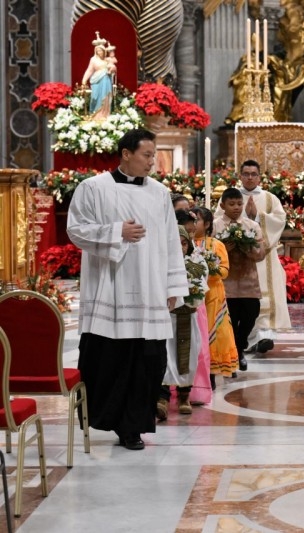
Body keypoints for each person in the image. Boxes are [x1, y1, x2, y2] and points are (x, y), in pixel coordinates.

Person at [67, 128, 187, 451]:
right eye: (147, 155)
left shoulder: (160, 194)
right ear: (125, 154)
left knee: (149, 362)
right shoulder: (93, 189)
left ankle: (133, 426)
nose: (153, 162)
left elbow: (170, 242)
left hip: (150, 291)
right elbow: (76, 229)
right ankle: (107, 419)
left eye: (153, 155)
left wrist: (173, 285)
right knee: (110, 360)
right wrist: (116, 232)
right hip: (111, 290)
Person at [217, 160, 291, 362]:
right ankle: (243, 341)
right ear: (240, 175)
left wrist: (257, 216)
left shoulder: (269, 198)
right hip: (236, 260)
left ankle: (264, 336)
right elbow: (217, 222)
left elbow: (280, 220)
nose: (250, 177)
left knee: (261, 302)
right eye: (246, 173)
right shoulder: (230, 196)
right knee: (239, 303)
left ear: (259, 177)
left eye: (254, 174)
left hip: (263, 255)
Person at [214, 187, 267, 374]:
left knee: (250, 316)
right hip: (226, 284)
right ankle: (235, 356)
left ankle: (239, 346)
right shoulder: (215, 226)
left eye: (239, 204)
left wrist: (246, 248)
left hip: (248, 282)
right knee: (230, 320)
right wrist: (225, 250)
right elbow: (210, 255)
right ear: (223, 205)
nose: (236, 207)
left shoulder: (252, 227)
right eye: (232, 204)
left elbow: (260, 254)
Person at [159, 224, 209, 419]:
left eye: (184, 243)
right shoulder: (162, 263)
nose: (180, 247)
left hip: (188, 317)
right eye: (176, 243)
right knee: (165, 355)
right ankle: (161, 397)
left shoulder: (197, 263)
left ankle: (184, 396)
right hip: (167, 318)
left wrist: (191, 294)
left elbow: (201, 289)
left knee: (188, 356)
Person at [192, 206, 239, 385]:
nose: (193, 224)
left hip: (213, 297)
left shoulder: (216, 245)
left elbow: (224, 271)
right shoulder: (184, 243)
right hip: (192, 294)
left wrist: (207, 269)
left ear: (207, 224)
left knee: (213, 332)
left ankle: (210, 374)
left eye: (197, 220)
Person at [81, 32, 113, 120]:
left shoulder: (107, 60)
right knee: (95, 97)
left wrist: (112, 69)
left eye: (101, 50)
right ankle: (96, 116)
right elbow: (89, 70)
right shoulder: (93, 60)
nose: (100, 52)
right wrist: (84, 80)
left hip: (106, 81)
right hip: (97, 81)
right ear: (96, 51)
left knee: (106, 97)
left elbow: (113, 69)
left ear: (104, 51)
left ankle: (105, 115)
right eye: (98, 51)